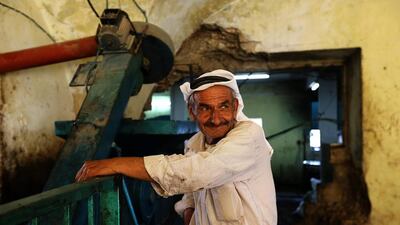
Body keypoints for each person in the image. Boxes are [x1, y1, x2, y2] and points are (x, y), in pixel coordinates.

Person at [75, 69, 277, 225]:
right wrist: (189, 211)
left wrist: (116, 164)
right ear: (192, 111)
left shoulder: (250, 135)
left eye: (223, 106)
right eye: (205, 108)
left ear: (235, 107)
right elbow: (192, 190)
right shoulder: (196, 142)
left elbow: (200, 171)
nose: (216, 119)